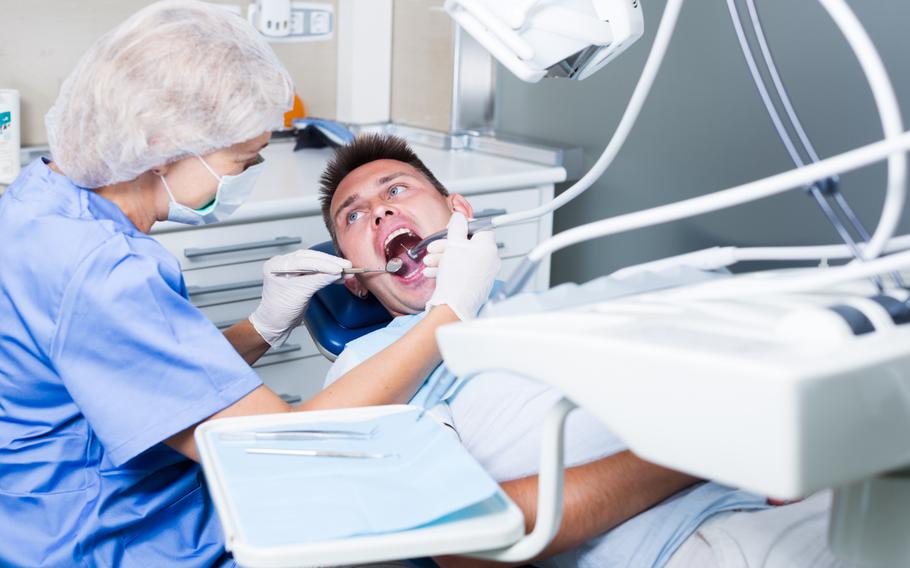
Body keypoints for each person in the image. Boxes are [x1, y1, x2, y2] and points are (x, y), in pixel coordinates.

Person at [0, 3, 498, 566]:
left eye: (397, 192)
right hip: (107, 538)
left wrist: (259, 328)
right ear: (164, 144)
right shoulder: (101, 272)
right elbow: (284, 449)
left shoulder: (41, 207)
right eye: (243, 159)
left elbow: (141, 373)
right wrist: (448, 314)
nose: (247, 175)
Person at [317, 134, 844, 568]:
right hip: (697, 542)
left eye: (397, 189)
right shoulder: (371, 372)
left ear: (459, 213)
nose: (381, 210)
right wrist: (708, 450)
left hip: (803, 483)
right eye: (354, 217)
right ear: (355, 280)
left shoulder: (548, 300)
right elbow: (464, 542)